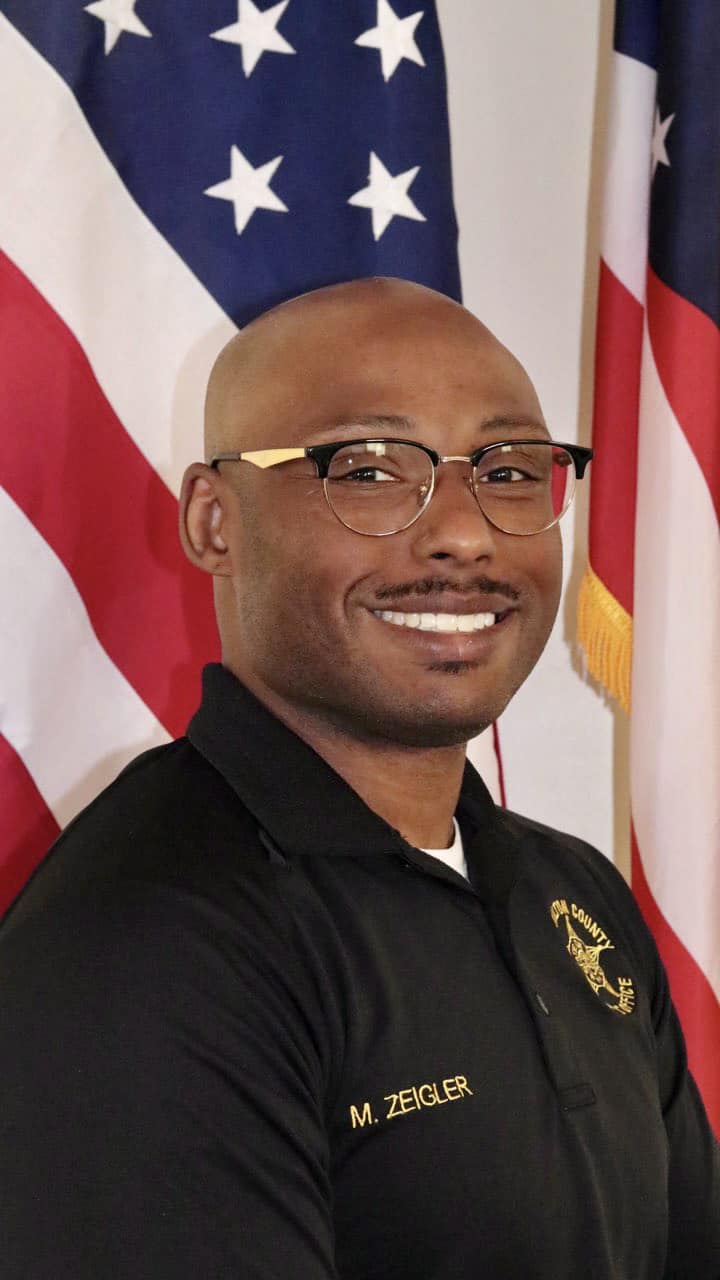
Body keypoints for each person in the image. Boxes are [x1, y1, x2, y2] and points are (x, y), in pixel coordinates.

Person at [1, 277, 718, 1279]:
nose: (465, 531)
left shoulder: (574, 892)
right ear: (215, 522)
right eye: (371, 469)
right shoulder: (147, 937)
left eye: (511, 470)